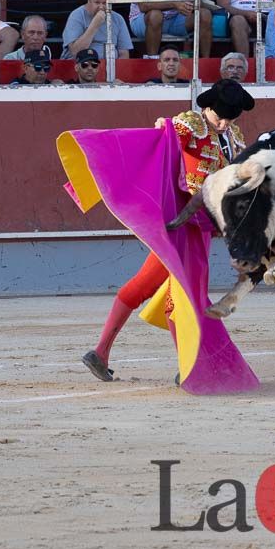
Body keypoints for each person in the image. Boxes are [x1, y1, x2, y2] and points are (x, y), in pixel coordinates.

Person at [83, 78, 255, 382]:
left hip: (203, 227)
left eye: (231, 117)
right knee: (187, 293)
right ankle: (189, 367)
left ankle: (100, 352)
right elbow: (159, 141)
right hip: (180, 224)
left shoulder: (233, 136)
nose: (225, 122)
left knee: (144, 286)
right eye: (220, 116)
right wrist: (165, 129)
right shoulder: (190, 124)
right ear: (207, 107)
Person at [63, 0, 132, 59]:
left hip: (110, 66)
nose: (101, 7)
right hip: (82, 66)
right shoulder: (76, 15)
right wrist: (95, 24)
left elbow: (124, 54)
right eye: (97, 2)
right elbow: (75, 52)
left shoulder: (118, 19)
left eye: (105, 3)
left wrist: (116, 70)